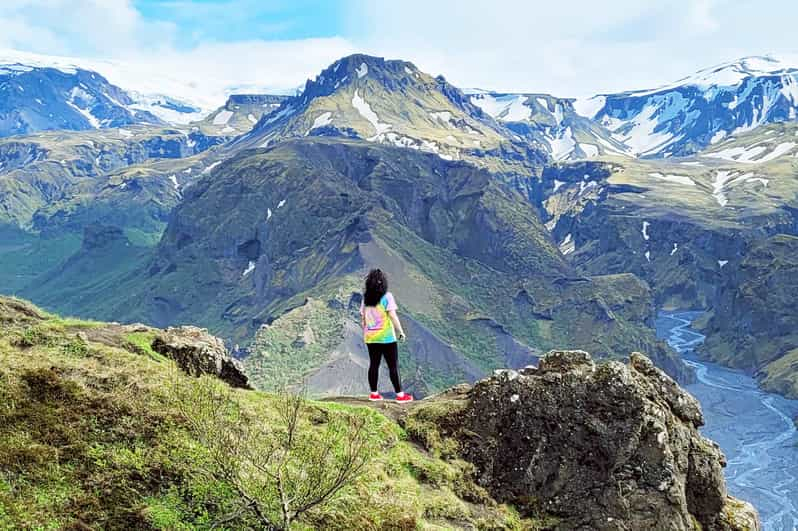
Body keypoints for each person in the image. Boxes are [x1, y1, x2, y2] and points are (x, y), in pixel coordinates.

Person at [360, 268, 413, 403]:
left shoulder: (366, 298)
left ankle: (374, 394)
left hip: (371, 337)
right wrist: (400, 331)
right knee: (393, 366)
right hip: (387, 338)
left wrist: (366, 333)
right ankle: (400, 396)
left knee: (374, 365)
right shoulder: (387, 297)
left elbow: (363, 319)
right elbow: (393, 316)